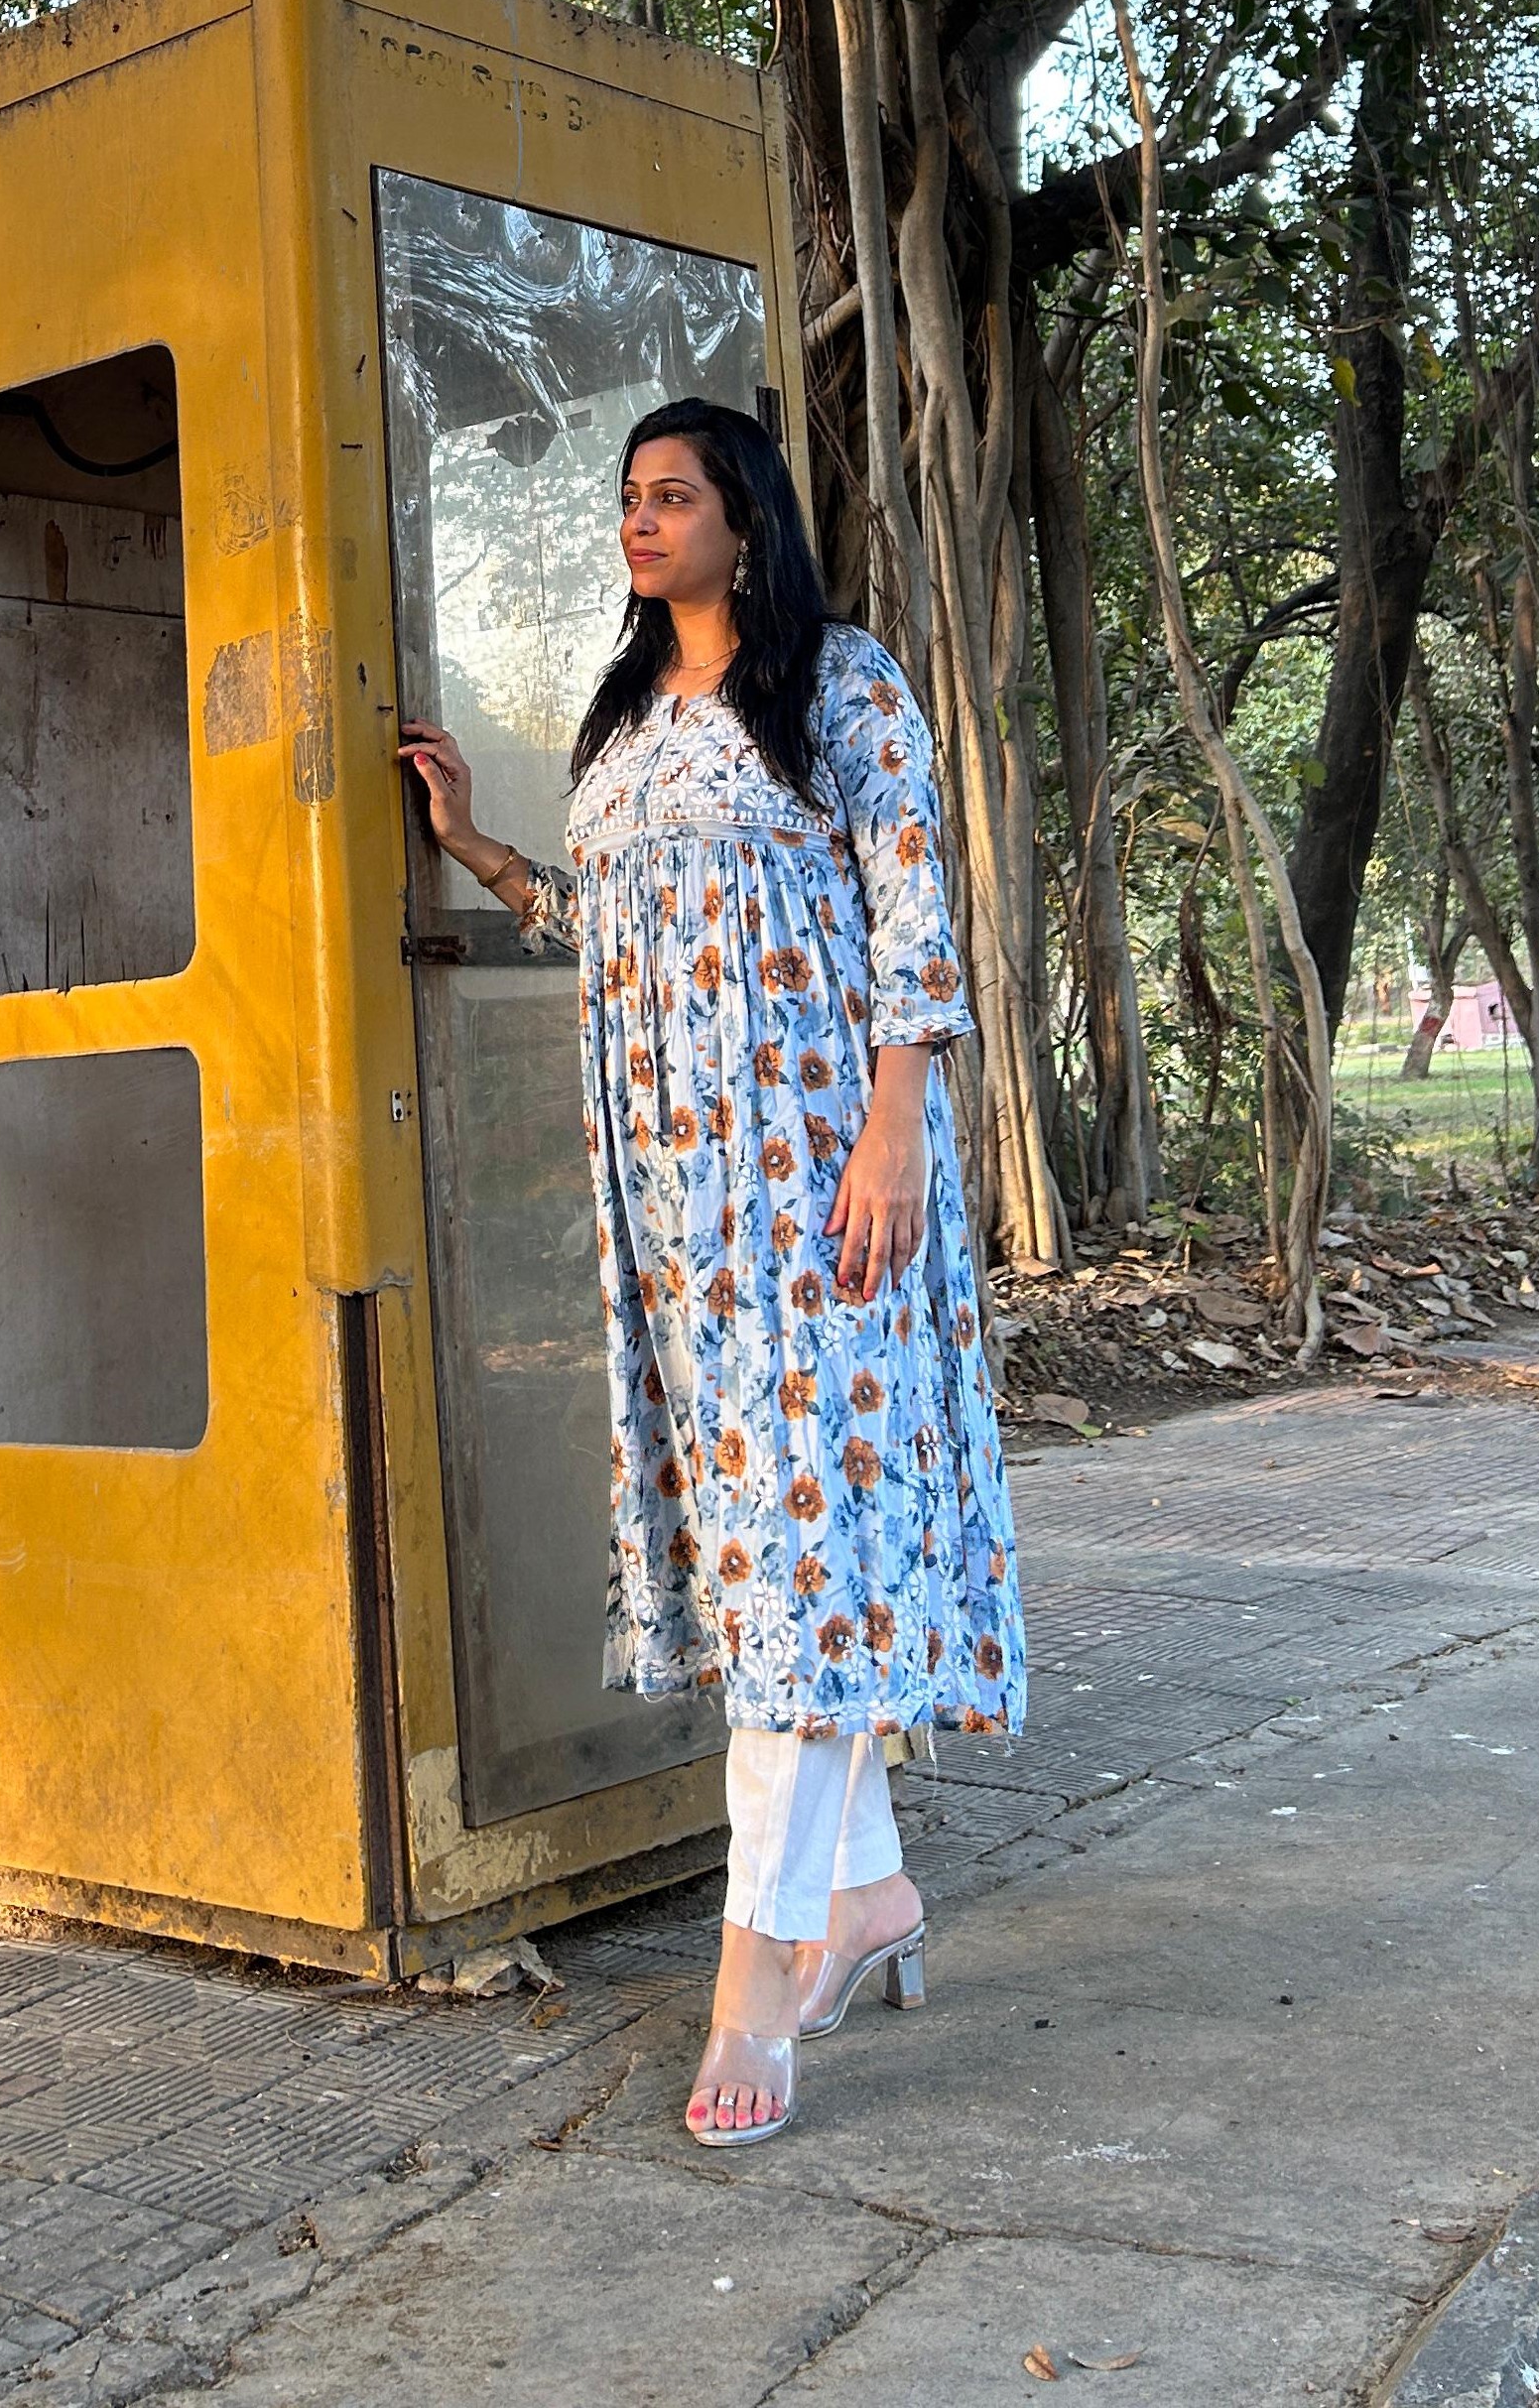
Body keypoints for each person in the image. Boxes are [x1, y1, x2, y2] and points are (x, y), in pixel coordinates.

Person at [402, 398, 1022, 2147]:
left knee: (800, 1556)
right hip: (678, 1219)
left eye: (673, 494)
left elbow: (913, 915)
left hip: (825, 1190)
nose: (639, 520)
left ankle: (758, 1969)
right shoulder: (623, 720)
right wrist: (474, 847)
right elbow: (612, 924)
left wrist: (897, 1125)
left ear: (745, 518)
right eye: (627, 498)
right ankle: (871, 1896)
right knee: (765, 1552)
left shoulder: (841, 683)